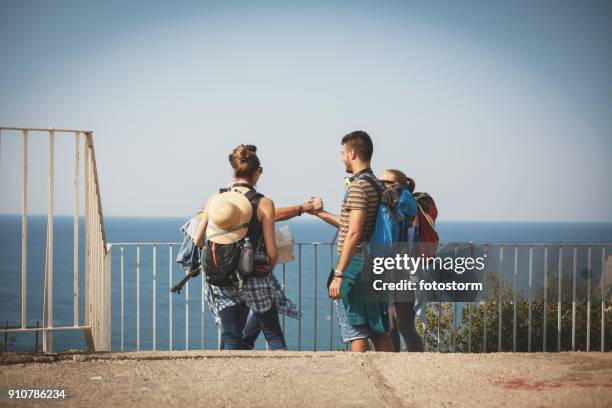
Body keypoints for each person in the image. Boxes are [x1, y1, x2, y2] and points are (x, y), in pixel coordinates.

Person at [193, 144, 300, 350]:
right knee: (273, 334)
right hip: (254, 275)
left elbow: (198, 240)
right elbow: (271, 253)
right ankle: (286, 378)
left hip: (220, 274)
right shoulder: (264, 203)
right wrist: (268, 267)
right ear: (257, 173)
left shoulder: (216, 198)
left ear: (235, 170)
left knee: (231, 335)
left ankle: (230, 380)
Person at [312, 131, 394, 352]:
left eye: (342, 153)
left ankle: (361, 378)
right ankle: (393, 375)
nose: (342, 158)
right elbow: (351, 225)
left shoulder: (358, 186)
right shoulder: (376, 184)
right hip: (374, 263)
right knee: (377, 330)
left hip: (356, 265)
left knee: (356, 329)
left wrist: (339, 274)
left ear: (352, 152)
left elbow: (354, 233)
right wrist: (321, 214)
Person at [378, 169, 425, 352]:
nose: (381, 184)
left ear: (398, 184)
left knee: (401, 326)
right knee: (395, 326)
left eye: (385, 181)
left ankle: (413, 364)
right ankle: (400, 363)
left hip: (401, 271)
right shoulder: (401, 201)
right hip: (398, 269)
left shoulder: (401, 202)